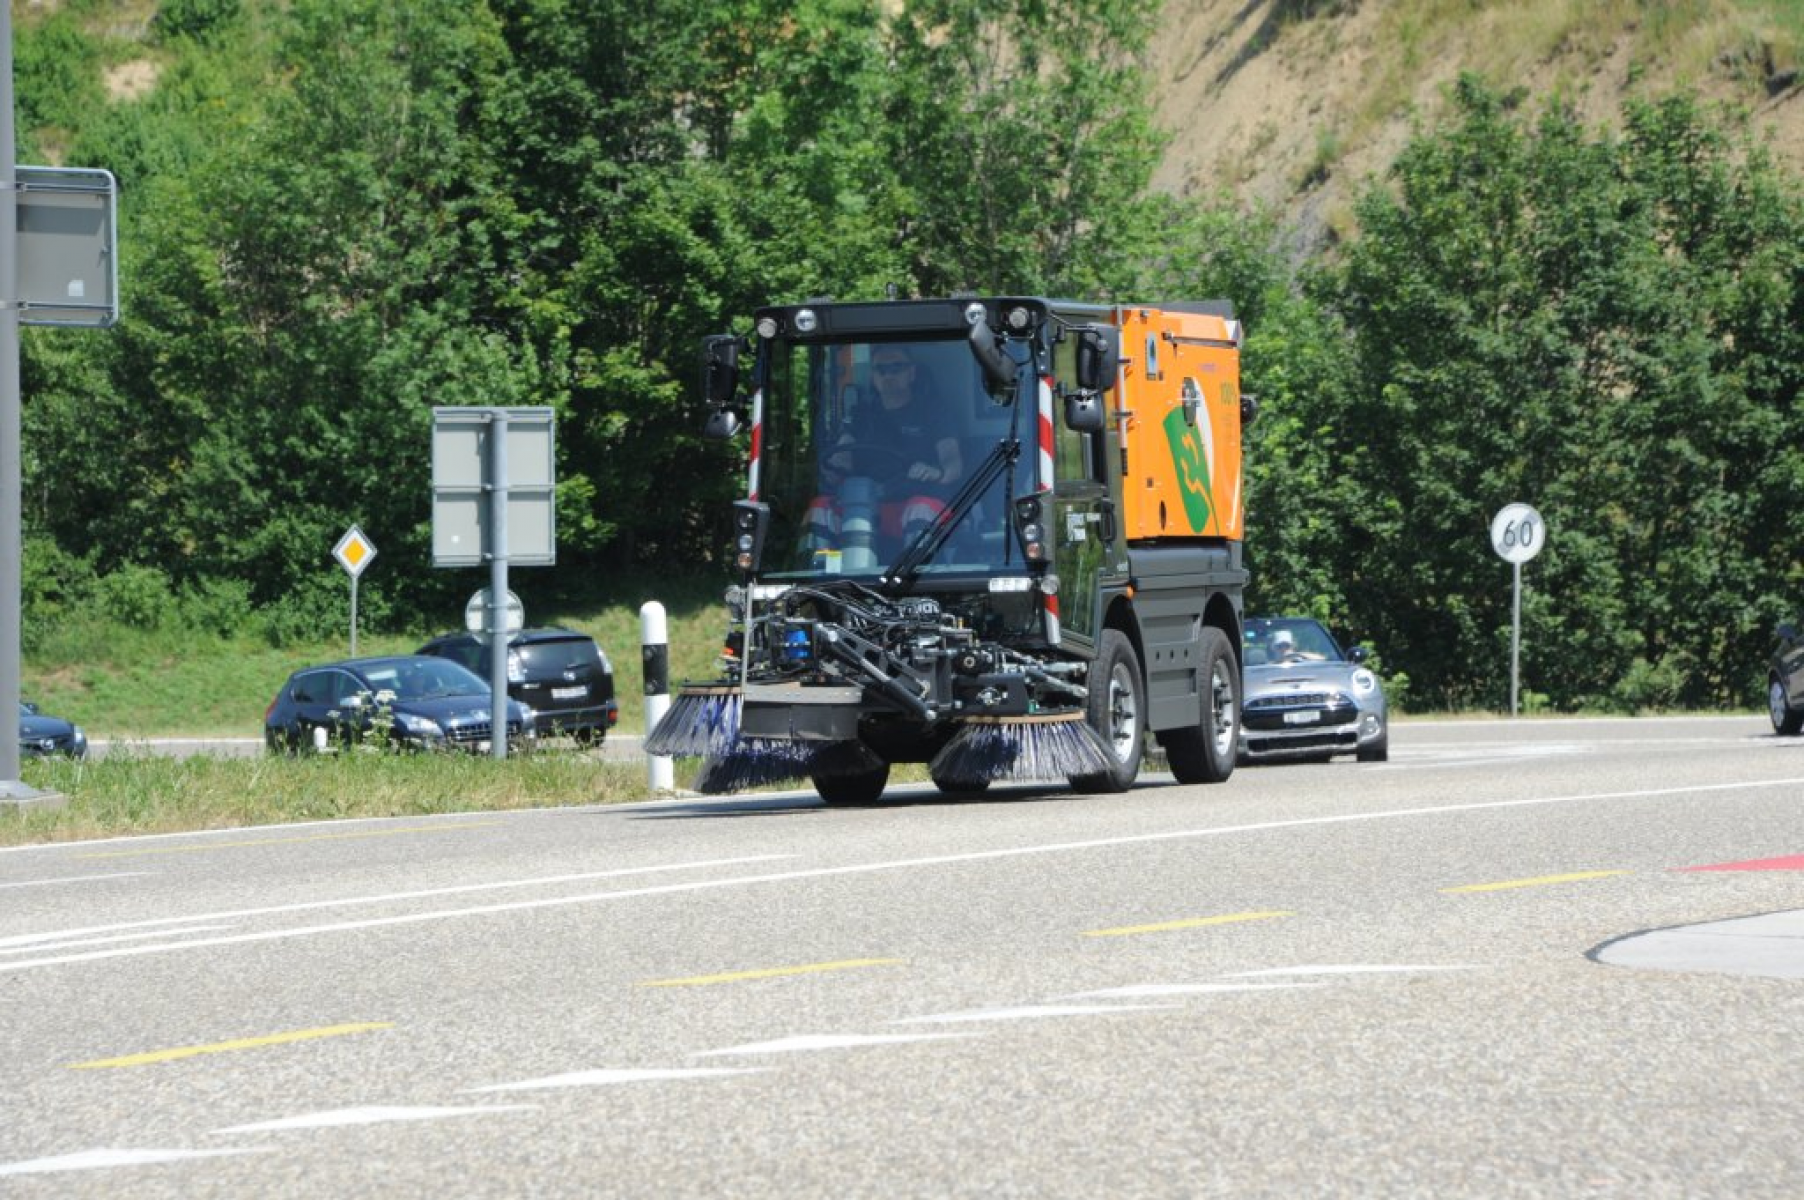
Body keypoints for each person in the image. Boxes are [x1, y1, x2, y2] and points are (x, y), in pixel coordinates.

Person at [806, 345, 964, 562]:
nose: (888, 375)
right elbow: (843, 453)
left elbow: (953, 463)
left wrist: (937, 472)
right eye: (881, 369)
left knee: (920, 509)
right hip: (867, 505)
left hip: (916, 500)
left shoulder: (934, 412)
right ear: (873, 376)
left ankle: (920, 583)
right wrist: (834, 468)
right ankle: (818, 580)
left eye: (896, 367)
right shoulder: (861, 415)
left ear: (912, 373)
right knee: (821, 508)